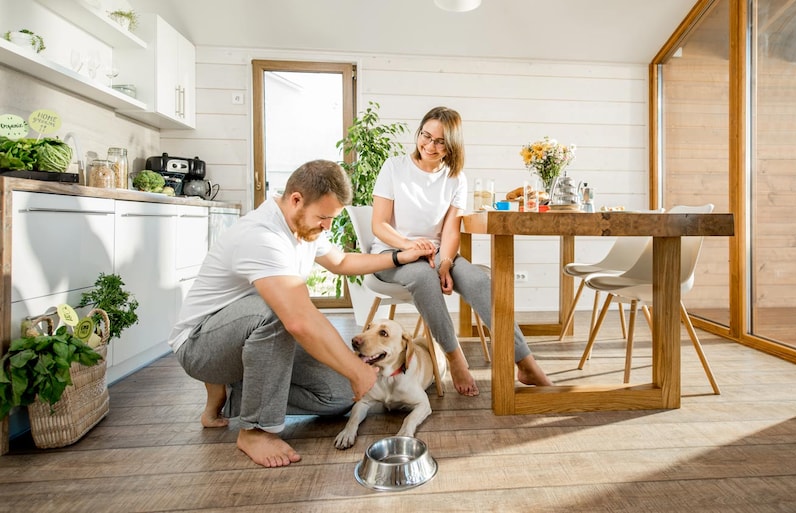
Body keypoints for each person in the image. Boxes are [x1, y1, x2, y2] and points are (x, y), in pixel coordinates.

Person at [168, 159, 433, 468]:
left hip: (252, 344)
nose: (327, 226)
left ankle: (235, 396)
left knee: (339, 395)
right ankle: (255, 430)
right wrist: (357, 368)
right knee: (281, 311)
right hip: (200, 346)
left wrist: (401, 256)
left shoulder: (304, 228)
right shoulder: (262, 235)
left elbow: (343, 262)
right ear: (296, 199)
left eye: (331, 218)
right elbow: (297, 319)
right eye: (324, 217)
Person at [370, 106, 553, 396]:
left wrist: (444, 263)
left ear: (452, 145)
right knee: (422, 276)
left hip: (436, 254)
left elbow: (451, 230)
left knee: (481, 281)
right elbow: (379, 224)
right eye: (425, 136)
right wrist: (410, 246)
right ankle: (456, 359)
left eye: (440, 141)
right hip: (393, 254)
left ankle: (526, 362)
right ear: (418, 133)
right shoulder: (394, 168)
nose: (430, 146)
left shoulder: (456, 177)